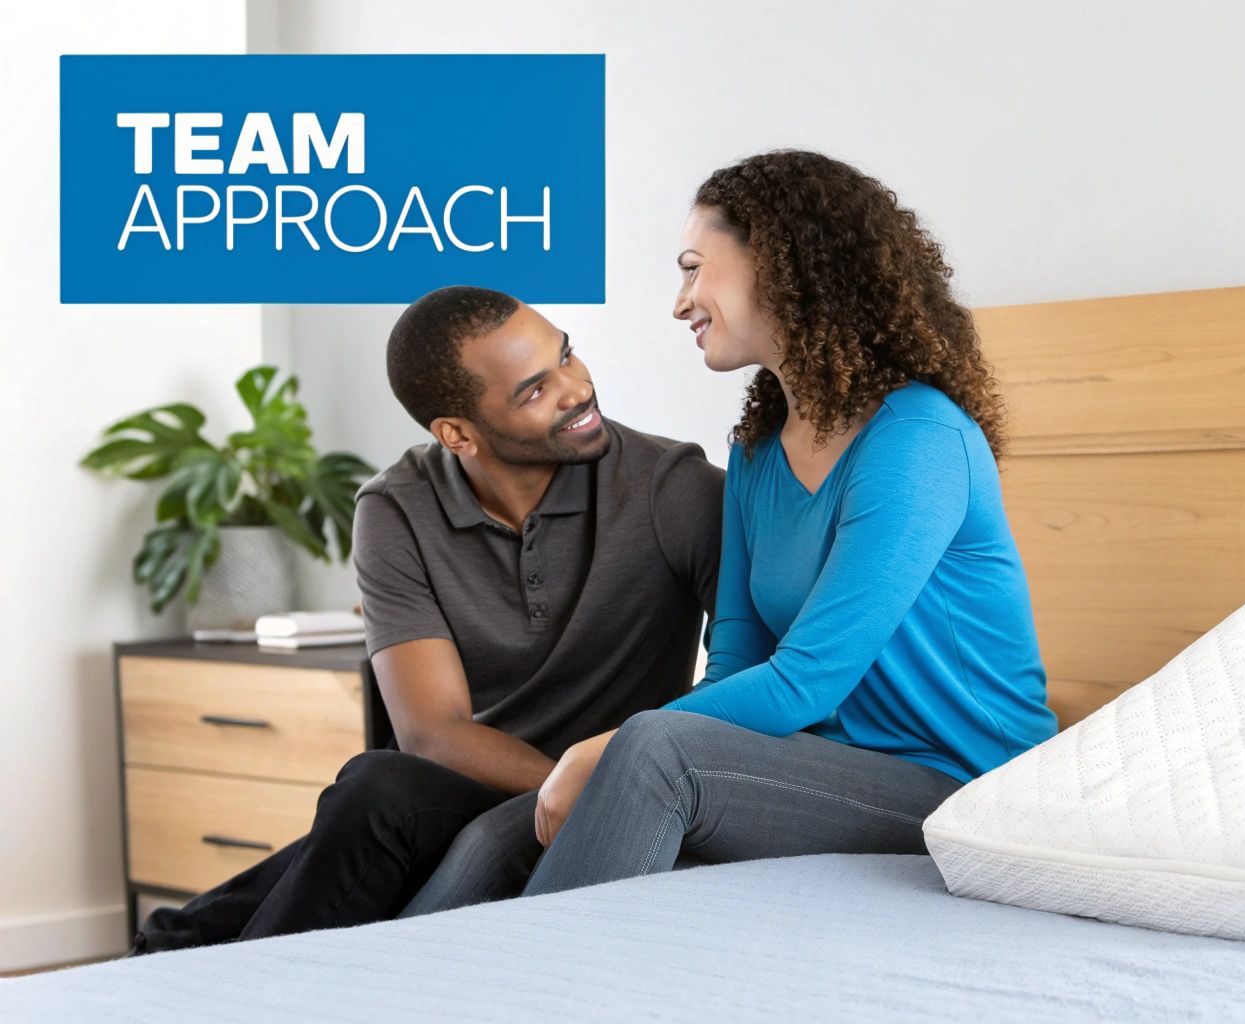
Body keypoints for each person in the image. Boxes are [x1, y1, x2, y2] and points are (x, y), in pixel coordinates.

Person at [518, 150, 1057, 897]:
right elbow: (739, 657)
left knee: (650, 754)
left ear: (780, 264)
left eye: (692, 267)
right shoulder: (756, 452)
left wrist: (606, 750)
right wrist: (600, 759)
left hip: (967, 792)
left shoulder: (919, 439)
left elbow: (808, 681)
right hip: (830, 768)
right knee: (509, 824)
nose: (679, 303)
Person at [130, 286, 721, 951]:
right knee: (380, 791)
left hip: (610, 786)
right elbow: (435, 734)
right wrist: (564, 781)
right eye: (533, 391)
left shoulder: (674, 489)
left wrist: (617, 779)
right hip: (467, 789)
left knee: (341, 824)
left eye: (567, 355)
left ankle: (185, 959)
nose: (576, 389)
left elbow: (750, 671)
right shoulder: (397, 507)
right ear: (457, 434)